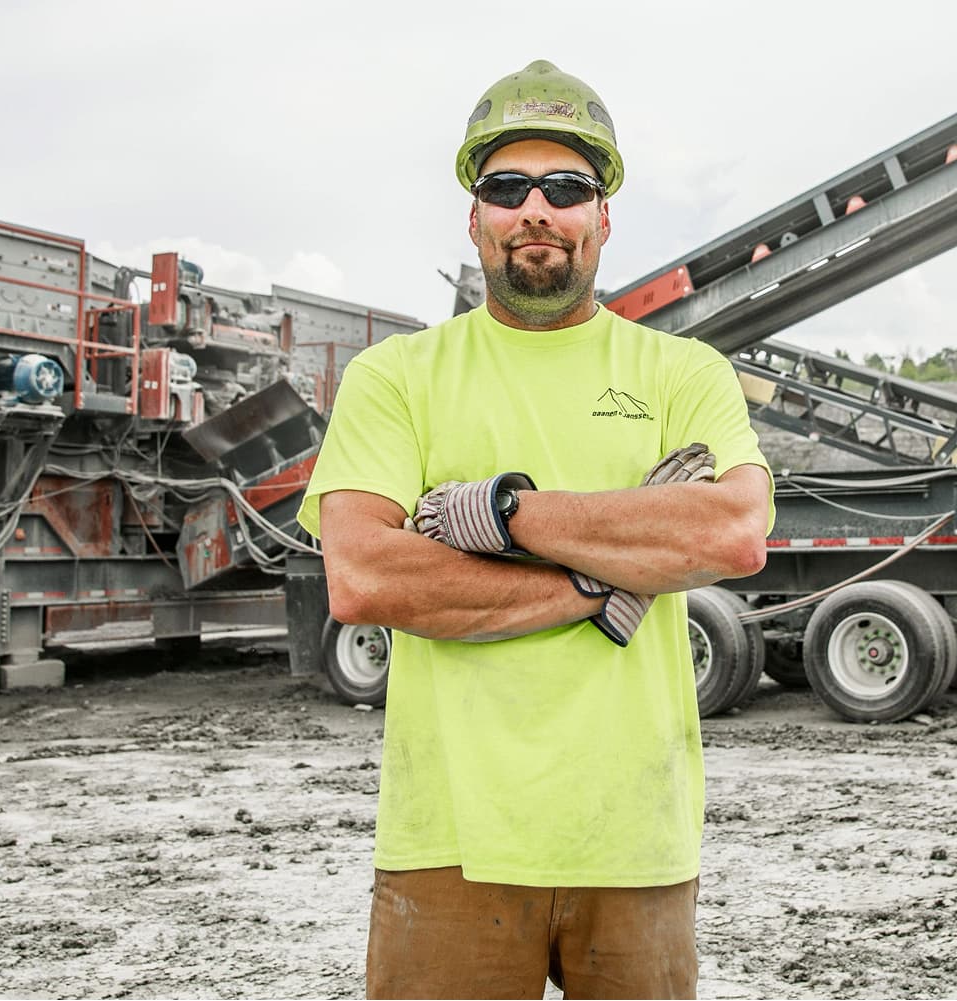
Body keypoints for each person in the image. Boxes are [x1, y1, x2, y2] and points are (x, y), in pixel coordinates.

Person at [295, 59, 774, 1000]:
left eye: (567, 188)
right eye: (507, 188)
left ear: (603, 215)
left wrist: (504, 514)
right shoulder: (398, 376)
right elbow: (363, 575)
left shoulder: (684, 372)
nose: (536, 209)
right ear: (475, 217)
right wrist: (605, 579)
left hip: (635, 836)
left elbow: (731, 531)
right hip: (449, 843)